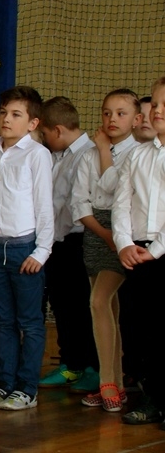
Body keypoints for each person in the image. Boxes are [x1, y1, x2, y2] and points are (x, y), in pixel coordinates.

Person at [0, 86, 53, 411]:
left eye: (16, 114)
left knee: (29, 322)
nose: (6, 119)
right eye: (3, 113)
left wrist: (41, 251)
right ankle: (5, 383)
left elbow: (43, 207)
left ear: (32, 123)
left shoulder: (37, 155)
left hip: (24, 249)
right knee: (3, 320)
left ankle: (27, 389)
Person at [71, 88, 141, 412]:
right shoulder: (87, 155)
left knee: (98, 302)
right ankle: (115, 382)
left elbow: (115, 189)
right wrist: (102, 233)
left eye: (121, 113)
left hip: (124, 231)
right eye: (107, 113)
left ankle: (108, 381)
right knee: (107, 309)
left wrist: (102, 148)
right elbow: (80, 202)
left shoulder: (137, 153)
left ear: (136, 119)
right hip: (97, 231)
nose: (112, 119)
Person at [37, 97, 99, 393]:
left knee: (81, 306)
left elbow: (77, 203)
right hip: (57, 241)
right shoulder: (57, 155)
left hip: (80, 240)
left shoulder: (89, 154)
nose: (44, 140)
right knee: (62, 304)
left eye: (45, 134)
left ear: (58, 130)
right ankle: (70, 363)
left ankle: (92, 367)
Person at [114, 77, 165, 429]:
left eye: (164, 105)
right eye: (156, 104)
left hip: (161, 252)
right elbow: (121, 204)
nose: (157, 111)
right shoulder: (137, 156)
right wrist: (124, 243)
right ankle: (151, 397)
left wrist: (158, 249)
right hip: (138, 253)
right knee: (140, 328)